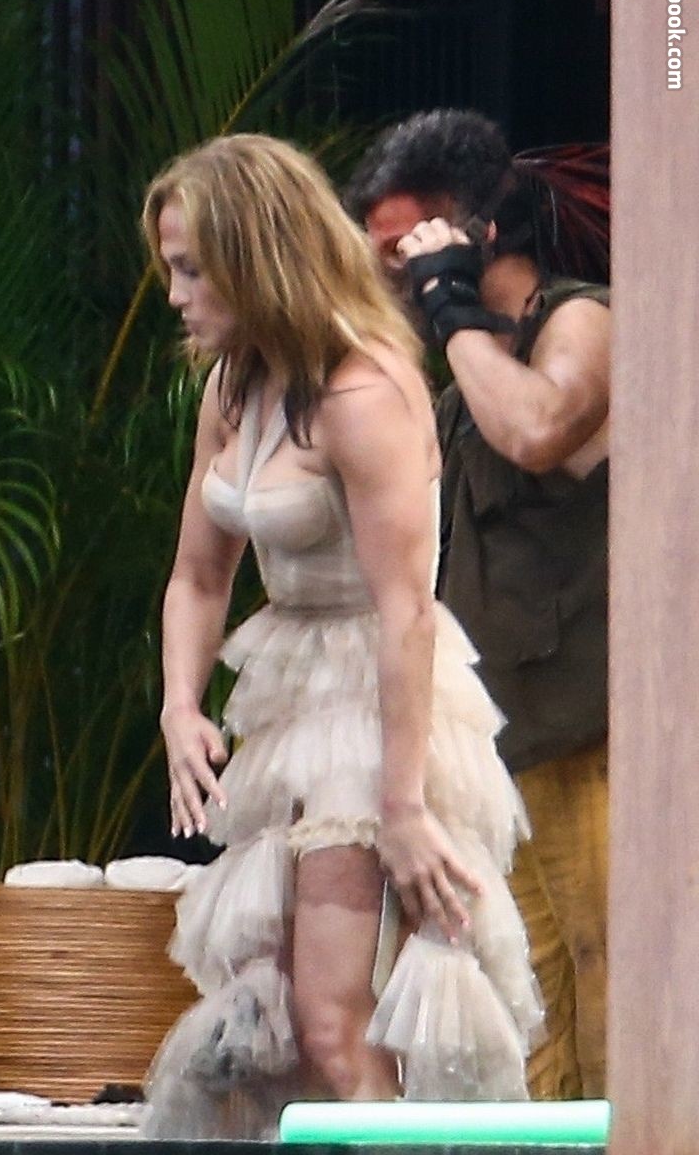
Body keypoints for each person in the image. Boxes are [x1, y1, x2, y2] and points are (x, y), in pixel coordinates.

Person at [138, 134, 540, 1139]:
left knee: (330, 1020)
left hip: (376, 700)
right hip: (286, 695)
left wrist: (402, 805)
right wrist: (181, 704)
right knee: (268, 1025)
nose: (176, 295)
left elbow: (407, 610)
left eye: (192, 269)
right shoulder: (234, 389)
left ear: (255, 256)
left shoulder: (363, 393)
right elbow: (197, 575)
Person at [347, 109, 611, 1102]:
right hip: (506, 750)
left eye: (402, 250)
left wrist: (452, 308)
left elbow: (541, 428)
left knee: (611, 974)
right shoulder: (463, 380)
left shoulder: (580, 320)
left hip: (596, 736)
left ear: (477, 234)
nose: (392, 278)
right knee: (530, 1008)